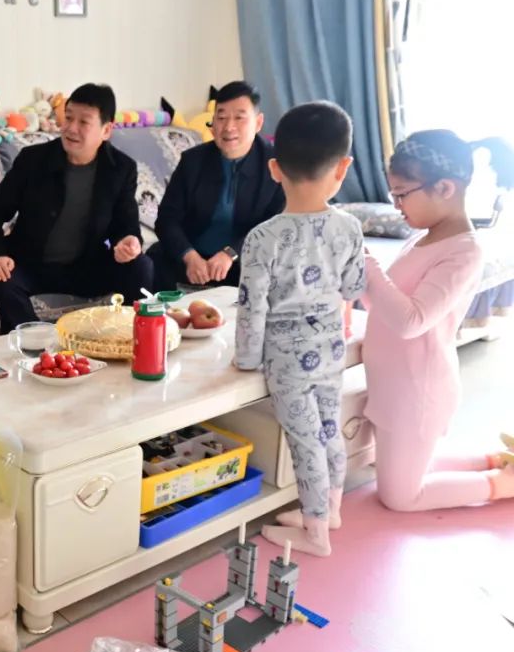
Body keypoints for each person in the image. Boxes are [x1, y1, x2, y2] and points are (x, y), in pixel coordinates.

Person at [353, 130, 514, 512]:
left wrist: (368, 265)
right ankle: (496, 461)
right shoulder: (423, 238)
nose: (396, 205)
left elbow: (411, 321)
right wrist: (359, 277)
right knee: (395, 470)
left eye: (402, 193)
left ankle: (504, 484)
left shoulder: (464, 251)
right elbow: (385, 306)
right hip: (395, 385)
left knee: (400, 497)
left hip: (417, 392)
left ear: (444, 188)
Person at [234, 102, 366, 557]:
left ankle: (315, 532)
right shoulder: (349, 226)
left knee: (305, 440)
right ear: (343, 167)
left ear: (275, 169)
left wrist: (246, 361)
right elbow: (353, 288)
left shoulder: (262, 238)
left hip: (287, 360)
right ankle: (330, 510)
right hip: (331, 348)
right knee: (328, 428)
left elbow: (251, 308)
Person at [0, 83, 153, 333]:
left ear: (106, 130)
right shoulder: (33, 160)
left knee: (142, 266)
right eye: (68, 118)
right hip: (30, 264)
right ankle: (38, 344)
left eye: (84, 122)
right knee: (0, 282)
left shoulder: (121, 168)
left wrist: (129, 242)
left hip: (88, 266)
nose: (71, 128)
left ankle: (130, 338)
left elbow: (126, 225)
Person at [149, 81, 285, 291]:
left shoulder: (276, 164)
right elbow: (167, 219)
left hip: (245, 261)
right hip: (194, 259)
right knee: (152, 260)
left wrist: (231, 253)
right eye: (221, 118)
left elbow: (274, 225)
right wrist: (189, 255)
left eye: (239, 117)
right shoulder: (193, 161)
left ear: (258, 123)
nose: (228, 127)